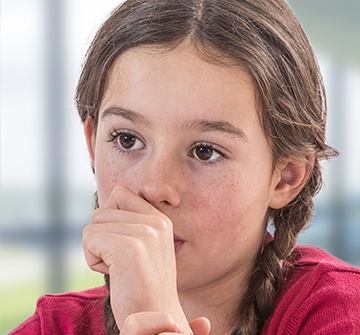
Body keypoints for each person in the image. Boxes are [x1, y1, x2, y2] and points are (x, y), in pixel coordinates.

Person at [9, 0, 360, 334]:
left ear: (286, 176)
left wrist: (155, 319)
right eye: (127, 140)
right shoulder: (53, 327)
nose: (153, 187)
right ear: (92, 143)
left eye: (205, 151)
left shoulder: (342, 313)